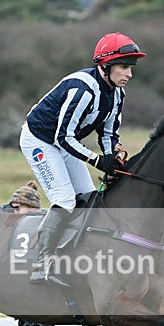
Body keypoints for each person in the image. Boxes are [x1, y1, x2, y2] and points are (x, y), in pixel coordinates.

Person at [20, 32, 146, 285]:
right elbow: (63, 137)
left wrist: (111, 158)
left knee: (89, 198)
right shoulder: (83, 90)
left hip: (64, 141)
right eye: (123, 67)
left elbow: (109, 132)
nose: (129, 74)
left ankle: (74, 256)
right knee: (65, 200)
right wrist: (98, 161)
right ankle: (41, 265)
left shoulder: (117, 93)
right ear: (105, 66)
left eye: (130, 67)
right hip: (40, 140)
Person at [0, 181, 58, 326]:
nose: (32, 215)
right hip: (22, 291)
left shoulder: (40, 226)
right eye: (27, 210)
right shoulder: (2, 225)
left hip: (38, 290)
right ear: (14, 206)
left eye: (35, 211)